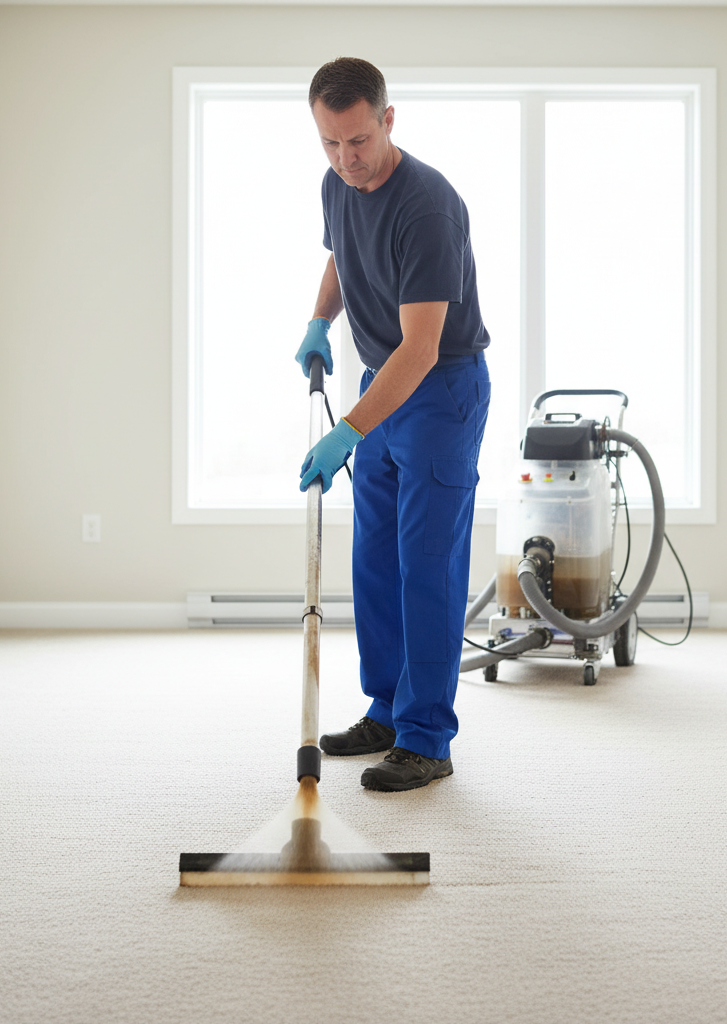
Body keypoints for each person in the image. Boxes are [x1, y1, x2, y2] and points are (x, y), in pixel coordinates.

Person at [295, 57, 491, 792]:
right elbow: (343, 259)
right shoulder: (336, 183)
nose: (347, 159)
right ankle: (386, 709)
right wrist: (319, 320)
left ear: (387, 119)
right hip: (382, 385)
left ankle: (426, 737)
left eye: (358, 141)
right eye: (329, 144)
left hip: (439, 390)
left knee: (427, 568)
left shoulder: (427, 206)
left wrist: (348, 429)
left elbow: (423, 347)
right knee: (374, 561)